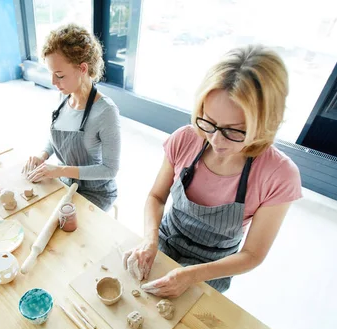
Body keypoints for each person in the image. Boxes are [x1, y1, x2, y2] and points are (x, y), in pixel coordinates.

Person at [123, 45, 301, 296]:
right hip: (166, 238)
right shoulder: (185, 138)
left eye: (234, 130)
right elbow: (156, 197)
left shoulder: (279, 176)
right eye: (208, 122)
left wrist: (190, 275)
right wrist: (149, 239)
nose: (216, 139)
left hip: (214, 265)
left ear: (266, 123)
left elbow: (252, 255)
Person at [23, 24, 121, 211]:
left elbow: (110, 169)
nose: (53, 82)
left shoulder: (106, 112)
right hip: (65, 182)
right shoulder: (63, 97)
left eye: (59, 75)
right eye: (51, 74)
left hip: (95, 192)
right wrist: (42, 156)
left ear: (83, 68)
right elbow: (59, 139)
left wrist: (59, 170)